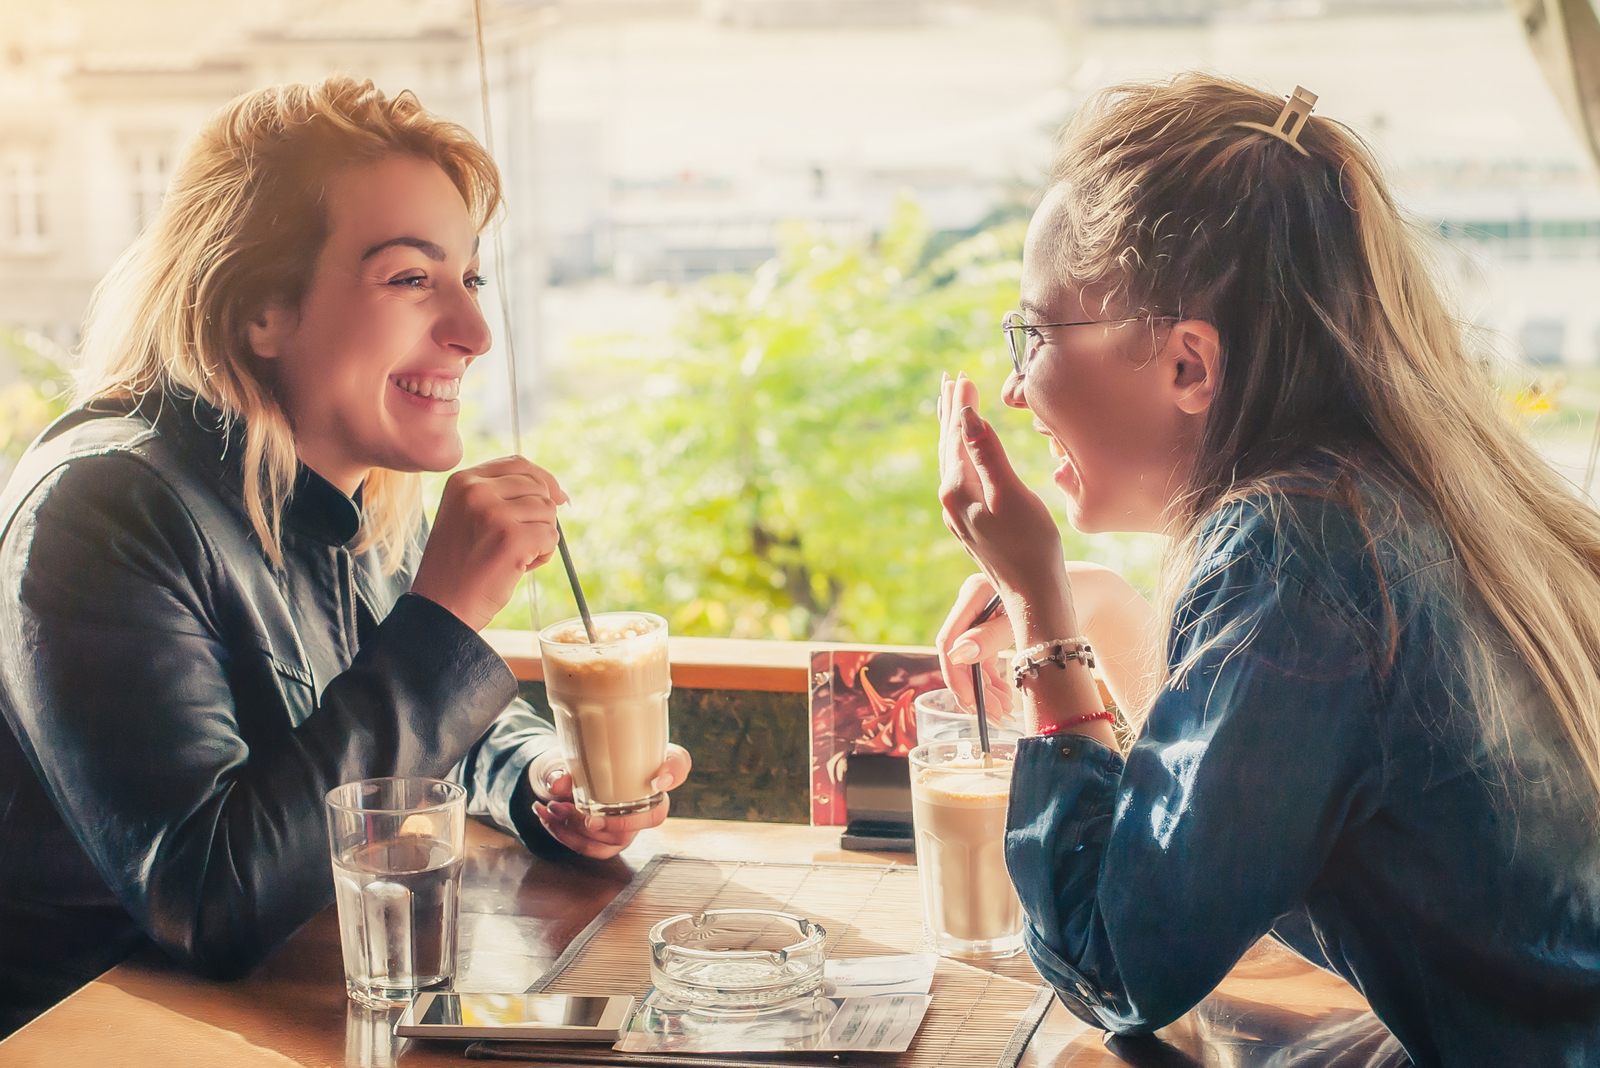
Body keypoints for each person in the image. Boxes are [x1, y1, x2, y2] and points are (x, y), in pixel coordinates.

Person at [0, 76, 689, 1036]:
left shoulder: (349, 492)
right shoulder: (102, 511)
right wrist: (446, 620)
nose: (475, 333)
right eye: (411, 278)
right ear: (260, 311)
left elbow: (399, 730)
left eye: (470, 279)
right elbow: (208, 900)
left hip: (294, 1016)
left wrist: (539, 781)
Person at [934, 74, 1600, 1067]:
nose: (1018, 390)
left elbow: (1117, 964)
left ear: (1189, 367)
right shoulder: (1385, 497)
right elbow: (1255, 801)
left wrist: (1040, 616)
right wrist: (1093, 610)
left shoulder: (1297, 556)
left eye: (1035, 332)